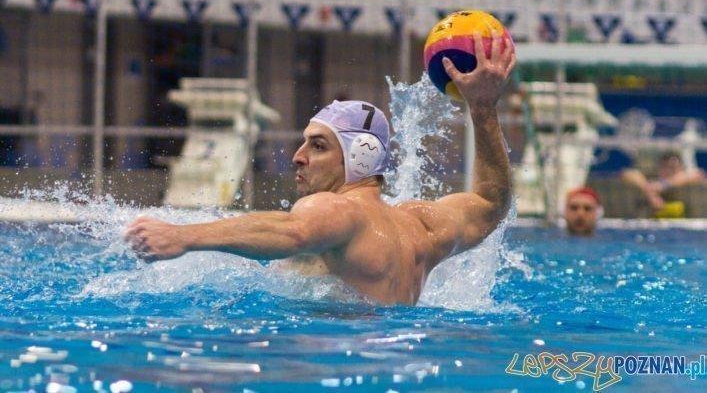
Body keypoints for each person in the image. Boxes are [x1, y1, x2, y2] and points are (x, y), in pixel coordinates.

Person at [125, 32, 516, 305]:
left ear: (361, 156)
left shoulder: (340, 209)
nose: (298, 156)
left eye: (318, 145)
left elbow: (293, 231)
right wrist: (482, 109)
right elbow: (490, 201)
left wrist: (183, 236)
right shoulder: (422, 226)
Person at [621, 151, 705, 216]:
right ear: (659, 167)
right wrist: (649, 191)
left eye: (672, 167)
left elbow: (697, 174)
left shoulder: (685, 182)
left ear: (680, 168)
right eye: (665, 166)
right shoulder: (651, 179)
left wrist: (662, 185)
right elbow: (627, 173)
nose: (668, 171)